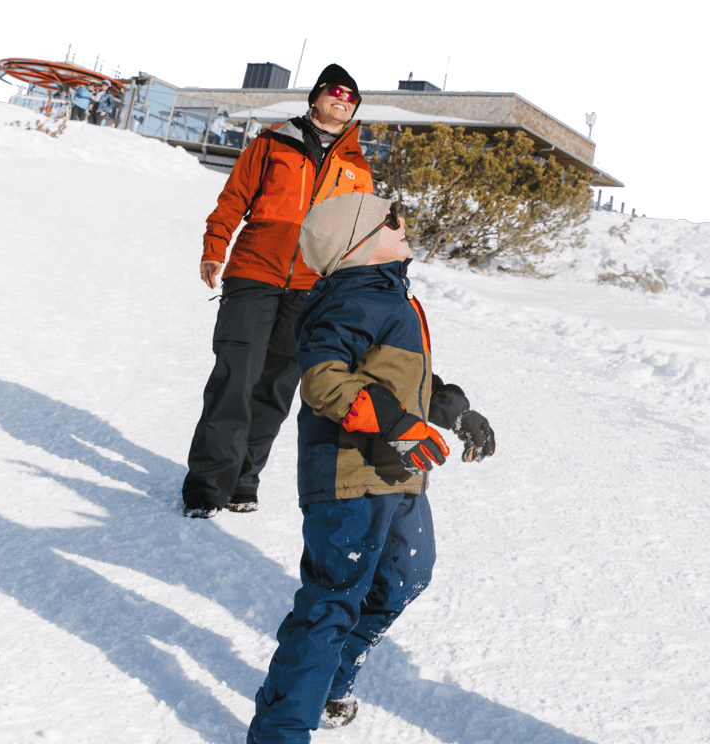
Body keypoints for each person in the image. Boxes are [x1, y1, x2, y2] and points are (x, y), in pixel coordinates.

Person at [245, 192, 496, 744]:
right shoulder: (351, 299)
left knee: (407, 576)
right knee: (331, 602)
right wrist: (396, 426)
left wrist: (455, 410)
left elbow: (400, 379)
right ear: (356, 245)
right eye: (390, 219)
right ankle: (279, 732)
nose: (402, 222)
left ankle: (333, 679)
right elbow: (323, 381)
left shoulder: (386, 295)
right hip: (347, 478)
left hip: (399, 475)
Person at [183, 64, 374, 518]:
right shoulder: (272, 143)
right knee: (235, 377)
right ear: (316, 98)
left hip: (311, 287)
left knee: (276, 387)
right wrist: (215, 247)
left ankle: (243, 481)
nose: (343, 100)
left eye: (351, 97)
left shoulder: (358, 168)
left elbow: (359, 237)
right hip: (253, 271)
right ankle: (207, 487)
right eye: (335, 92)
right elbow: (233, 197)